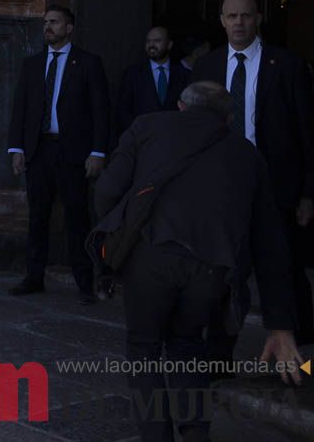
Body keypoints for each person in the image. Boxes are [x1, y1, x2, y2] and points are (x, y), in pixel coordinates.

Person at [93, 81, 304, 441]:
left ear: (180, 105)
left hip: (151, 257)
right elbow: (270, 243)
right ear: (229, 118)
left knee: (144, 348)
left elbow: (107, 190)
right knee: (188, 344)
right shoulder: (247, 153)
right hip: (210, 269)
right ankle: (195, 434)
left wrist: (115, 243)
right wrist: (280, 325)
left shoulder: (147, 126)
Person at [191, 0, 314, 346]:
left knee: (284, 269)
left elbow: (307, 133)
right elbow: (193, 130)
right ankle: (218, 357)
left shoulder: (287, 65)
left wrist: (308, 193)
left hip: (277, 188)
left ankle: (300, 349)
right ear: (222, 21)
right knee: (222, 271)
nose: (239, 23)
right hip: (223, 189)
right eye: (232, 16)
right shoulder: (206, 66)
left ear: (258, 18)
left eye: (245, 15)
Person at [7, 4, 109, 303]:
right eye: (45, 23)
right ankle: (33, 277)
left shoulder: (88, 63)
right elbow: (20, 107)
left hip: (73, 152)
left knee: (77, 217)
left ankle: (85, 283)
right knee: (38, 217)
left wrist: (98, 151)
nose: (48, 27)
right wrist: (17, 148)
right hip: (39, 150)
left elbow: (101, 110)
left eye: (54, 22)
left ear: (69, 27)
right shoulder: (32, 64)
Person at [115, 26, 190, 138]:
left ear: (169, 44)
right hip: (141, 139)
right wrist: (136, 134)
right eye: (148, 41)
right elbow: (123, 110)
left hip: (174, 139)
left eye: (157, 41)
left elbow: (189, 110)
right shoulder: (133, 74)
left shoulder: (184, 74)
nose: (151, 45)